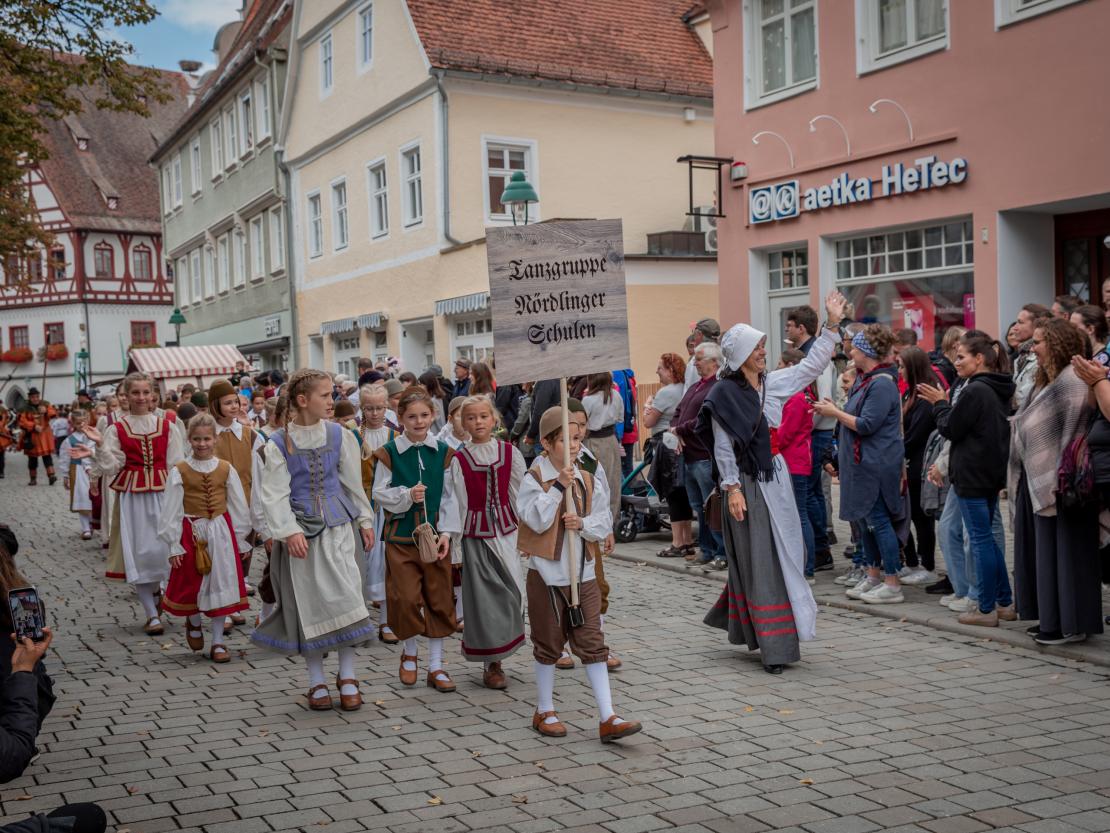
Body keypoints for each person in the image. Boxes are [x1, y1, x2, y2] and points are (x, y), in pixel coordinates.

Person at [703, 292, 843, 673]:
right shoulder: (723, 394)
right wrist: (731, 488)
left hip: (776, 478)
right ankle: (775, 645)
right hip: (745, 487)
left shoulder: (775, 383)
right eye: (758, 346)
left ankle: (754, 624)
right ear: (742, 353)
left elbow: (812, 366)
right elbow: (722, 446)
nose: (764, 351)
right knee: (761, 559)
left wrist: (830, 324)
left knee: (784, 554)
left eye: (764, 345)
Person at [252, 369, 377, 711]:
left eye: (332, 394)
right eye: (325, 395)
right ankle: (317, 680)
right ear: (303, 401)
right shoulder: (277, 443)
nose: (331, 401)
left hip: (339, 529)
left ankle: (348, 675)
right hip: (301, 536)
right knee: (309, 605)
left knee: (349, 599)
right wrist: (288, 530)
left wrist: (365, 519)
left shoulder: (340, 435)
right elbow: (273, 494)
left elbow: (353, 483)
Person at [518, 406, 641, 742]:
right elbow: (535, 519)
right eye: (566, 440)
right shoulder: (535, 479)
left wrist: (583, 524)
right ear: (546, 442)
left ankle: (608, 715)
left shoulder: (587, 477)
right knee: (548, 642)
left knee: (592, 642)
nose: (574, 445)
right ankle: (545, 709)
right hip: (547, 576)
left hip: (582, 573)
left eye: (576, 438)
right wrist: (558, 488)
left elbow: (602, 521)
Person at [1009, 319, 1101, 643]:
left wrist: (1056, 477)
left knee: (1066, 557)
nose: (1032, 348)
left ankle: (1070, 624)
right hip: (1040, 479)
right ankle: (1050, 617)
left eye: (1038, 342)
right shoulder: (1046, 379)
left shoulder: (1072, 380)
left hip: (1064, 484)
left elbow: (1072, 429)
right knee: (1043, 555)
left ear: (1058, 344)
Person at [919, 331, 1015, 626]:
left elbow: (951, 427)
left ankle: (985, 608)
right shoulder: (996, 387)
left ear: (980, 358)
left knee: (981, 541)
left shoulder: (976, 390)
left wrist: (939, 403)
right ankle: (1004, 602)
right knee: (987, 540)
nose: (956, 362)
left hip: (973, 475)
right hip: (987, 473)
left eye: (961, 357)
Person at [372, 386, 459, 692]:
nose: (419, 421)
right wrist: (407, 495)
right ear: (401, 418)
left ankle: (436, 666)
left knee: (438, 598)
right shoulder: (390, 453)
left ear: (433, 415)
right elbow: (379, 492)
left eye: (424, 415)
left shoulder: (445, 454)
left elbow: (451, 498)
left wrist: (447, 533)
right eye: (412, 416)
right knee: (406, 598)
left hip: (435, 537)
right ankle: (410, 654)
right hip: (401, 537)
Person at [813, 324, 906, 605]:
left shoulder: (881, 384)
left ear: (866, 352)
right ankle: (873, 575)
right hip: (861, 463)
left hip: (875, 464)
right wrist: (836, 410)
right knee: (865, 524)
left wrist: (834, 412)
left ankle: (892, 582)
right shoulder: (865, 380)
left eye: (855, 347)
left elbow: (867, 424)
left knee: (878, 522)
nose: (849, 350)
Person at [90, 372, 184, 634]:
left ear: (153, 395)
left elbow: (176, 464)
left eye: (145, 392)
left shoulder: (167, 426)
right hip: (133, 498)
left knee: (165, 550)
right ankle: (152, 613)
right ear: (126, 396)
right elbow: (111, 466)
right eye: (135, 393)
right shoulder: (117, 428)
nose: (141, 397)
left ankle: (159, 594)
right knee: (141, 552)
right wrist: (99, 446)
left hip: (164, 494)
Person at [158, 414, 251, 662]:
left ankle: (218, 642)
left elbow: (238, 504)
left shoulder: (225, 468)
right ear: (189, 440)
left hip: (220, 530)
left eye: (207, 439)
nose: (202, 444)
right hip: (192, 531)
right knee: (193, 582)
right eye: (197, 439)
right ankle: (194, 620)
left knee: (221, 582)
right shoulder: (180, 471)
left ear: (215, 439)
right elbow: (171, 508)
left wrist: (241, 538)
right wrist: (174, 543)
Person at [448, 396, 526, 689]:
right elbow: (457, 504)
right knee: (484, 602)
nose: (478, 422)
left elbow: (520, 495)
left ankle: (506, 647)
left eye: (483, 416)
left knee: (512, 593)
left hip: (507, 533)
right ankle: (492, 663)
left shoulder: (510, 453)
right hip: (475, 536)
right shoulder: (460, 460)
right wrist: (456, 547)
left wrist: (527, 534)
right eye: (471, 417)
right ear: (462, 423)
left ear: (494, 419)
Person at [208, 380, 266, 608]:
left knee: (244, 545)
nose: (234, 407)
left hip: (245, 496)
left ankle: (239, 591)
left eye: (236, 402)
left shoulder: (249, 435)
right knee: (221, 550)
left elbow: (259, 468)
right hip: (217, 501)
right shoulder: (208, 433)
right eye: (227, 403)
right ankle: (225, 600)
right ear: (215, 405)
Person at [670, 343, 725, 568]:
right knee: (699, 506)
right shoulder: (694, 387)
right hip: (689, 455)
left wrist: (679, 430)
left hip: (703, 454)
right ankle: (706, 548)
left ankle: (722, 552)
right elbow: (678, 412)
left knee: (711, 505)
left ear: (714, 362)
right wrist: (674, 429)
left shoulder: (716, 387)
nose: (695, 362)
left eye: (700, 359)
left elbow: (705, 417)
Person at [642, 353, 694, 558]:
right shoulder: (686, 388)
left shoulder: (665, 393)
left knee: (672, 494)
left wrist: (647, 407)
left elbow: (648, 423)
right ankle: (688, 540)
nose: (657, 372)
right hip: (684, 444)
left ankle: (677, 542)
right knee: (684, 494)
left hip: (667, 444)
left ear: (671, 370)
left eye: (660, 368)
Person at [897, 346, 941, 586]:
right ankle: (912, 561)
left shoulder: (925, 395)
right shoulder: (909, 394)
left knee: (921, 518)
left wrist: (896, 448)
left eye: (902, 366)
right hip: (908, 461)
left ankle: (928, 564)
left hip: (919, 464)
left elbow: (916, 434)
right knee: (908, 514)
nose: (899, 371)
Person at [358, 385, 397, 644]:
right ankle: (359, 621)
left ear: (387, 408)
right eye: (369, 408)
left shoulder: (394, 435)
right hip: (360, 506)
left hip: (387, 507)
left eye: (379, 408)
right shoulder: (352, 435)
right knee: (359, 562)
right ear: (362, 408)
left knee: (384, 561)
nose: (374, 413)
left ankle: (385, 619)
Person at [773, 349, 816, 581]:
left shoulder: (796, 398)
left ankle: (807, 567)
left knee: (799, 514)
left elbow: (785, 433)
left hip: (794, 463)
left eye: (780, 363)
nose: (777, 367)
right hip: (794, 461)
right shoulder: (798, 395)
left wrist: (768, 438)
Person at [581, 373, 624, 524]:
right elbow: (620, 418)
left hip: (592, 441)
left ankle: (595, 519)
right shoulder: (616, 396)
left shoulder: (588, 400)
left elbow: (582, 422)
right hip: (611, 441)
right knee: (613, 482)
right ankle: (612, 519)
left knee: (594, 482)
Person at [59, 409, 97, 540]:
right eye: (78, 423)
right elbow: (65, 458)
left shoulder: (94, 435)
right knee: (82, 498)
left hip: (94, 470)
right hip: (78, 470)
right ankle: (86, 528)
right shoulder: (69, 440)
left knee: (95, 498)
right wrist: (66, 475)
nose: (82, 425)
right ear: (73, 424)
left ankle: (94, 523)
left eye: (84, 422)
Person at [1012, 303, 1053, 411]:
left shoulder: (1042, 356)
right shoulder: (1021, 355)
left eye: (1020, 322)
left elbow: (1024, 398)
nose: (1014, 328)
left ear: (1036, 325)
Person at [18, 390, 57, 486]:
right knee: (32, 459)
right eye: (33, 397)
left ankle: (51, 476)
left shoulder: (45, 404)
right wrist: (33, 426)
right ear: (29, 398)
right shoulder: (25, 409)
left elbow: (53, 413)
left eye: (36, 397)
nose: (35, 399)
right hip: (32, 436)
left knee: (47, 456)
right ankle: (33, 479)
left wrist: (46, 410)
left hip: (44, 436)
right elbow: (22, 422)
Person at [684, 318, 721, 393]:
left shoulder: (695, 361)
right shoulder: (724, 356)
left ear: (700, 335)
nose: (694, 339)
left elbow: (688, 390)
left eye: (695, 335)